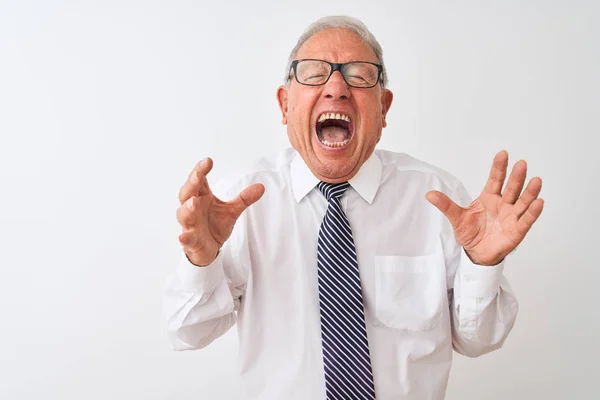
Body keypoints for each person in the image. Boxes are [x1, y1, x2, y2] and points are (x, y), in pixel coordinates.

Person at [163, 15, 544, 400]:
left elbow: (479, 339)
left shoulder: (438, 198)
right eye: (313, 74)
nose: (336, 88)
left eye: (360, 75)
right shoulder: (240, 204)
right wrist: (201, 259)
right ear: (285, 104)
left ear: (384, 107)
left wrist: (482, 264)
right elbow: (187, 331)